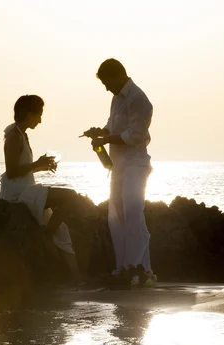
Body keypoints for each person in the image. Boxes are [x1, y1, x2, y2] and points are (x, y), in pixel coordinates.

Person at [83, 58, 156, 287]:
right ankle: (127, 268)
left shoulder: (139, 100)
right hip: (118, 167)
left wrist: (106, 139)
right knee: (116, 216)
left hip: (136, 165)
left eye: (106, 82)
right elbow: (113, 126)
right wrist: (100, 132)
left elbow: (134, 136)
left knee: (133, 211)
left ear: (117, 76)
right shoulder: (116, 99)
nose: (106, 87)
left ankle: (137, 268)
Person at [0, 94, 82, 284]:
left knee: (61, 227)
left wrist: (41, 166)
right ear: (29, 113)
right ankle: (46, 236)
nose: (40, 119)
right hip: (18, 193)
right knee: (71, 197)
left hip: (26, 189)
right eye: (39, 114)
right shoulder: (13, 137)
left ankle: (77, 278)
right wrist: (36, 163)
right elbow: (11, 172)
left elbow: (21, 169)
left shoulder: (21, 134)